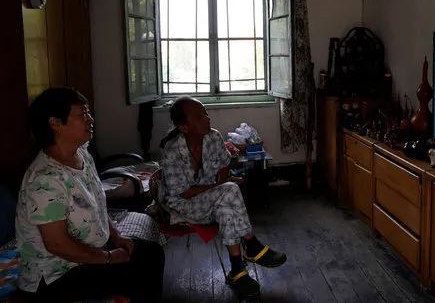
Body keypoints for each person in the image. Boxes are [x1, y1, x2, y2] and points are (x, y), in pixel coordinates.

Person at [15, 88, 165, 302]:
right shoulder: (45, 178)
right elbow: (56, 244)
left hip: (89, 254)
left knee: (150, 253)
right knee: (135, 272)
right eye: (82, 114)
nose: (91, 119)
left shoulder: (82, 155)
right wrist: (109, 257)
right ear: (55, 123)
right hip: (56, 274)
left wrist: (116, 236)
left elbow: (97, 205)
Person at [159, 96, 286, 299]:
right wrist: (219, 185)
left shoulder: (213, 137)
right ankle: (251, 244)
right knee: (229, 191)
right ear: (184, 127)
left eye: (206, 113)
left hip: (214, 200)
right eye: (199, 116)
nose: (207, 119)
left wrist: (223, 181)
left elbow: (226, 164)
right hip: (184, 205)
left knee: (227, 203)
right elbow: (183, 192)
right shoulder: (172, 150)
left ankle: (237, 270)